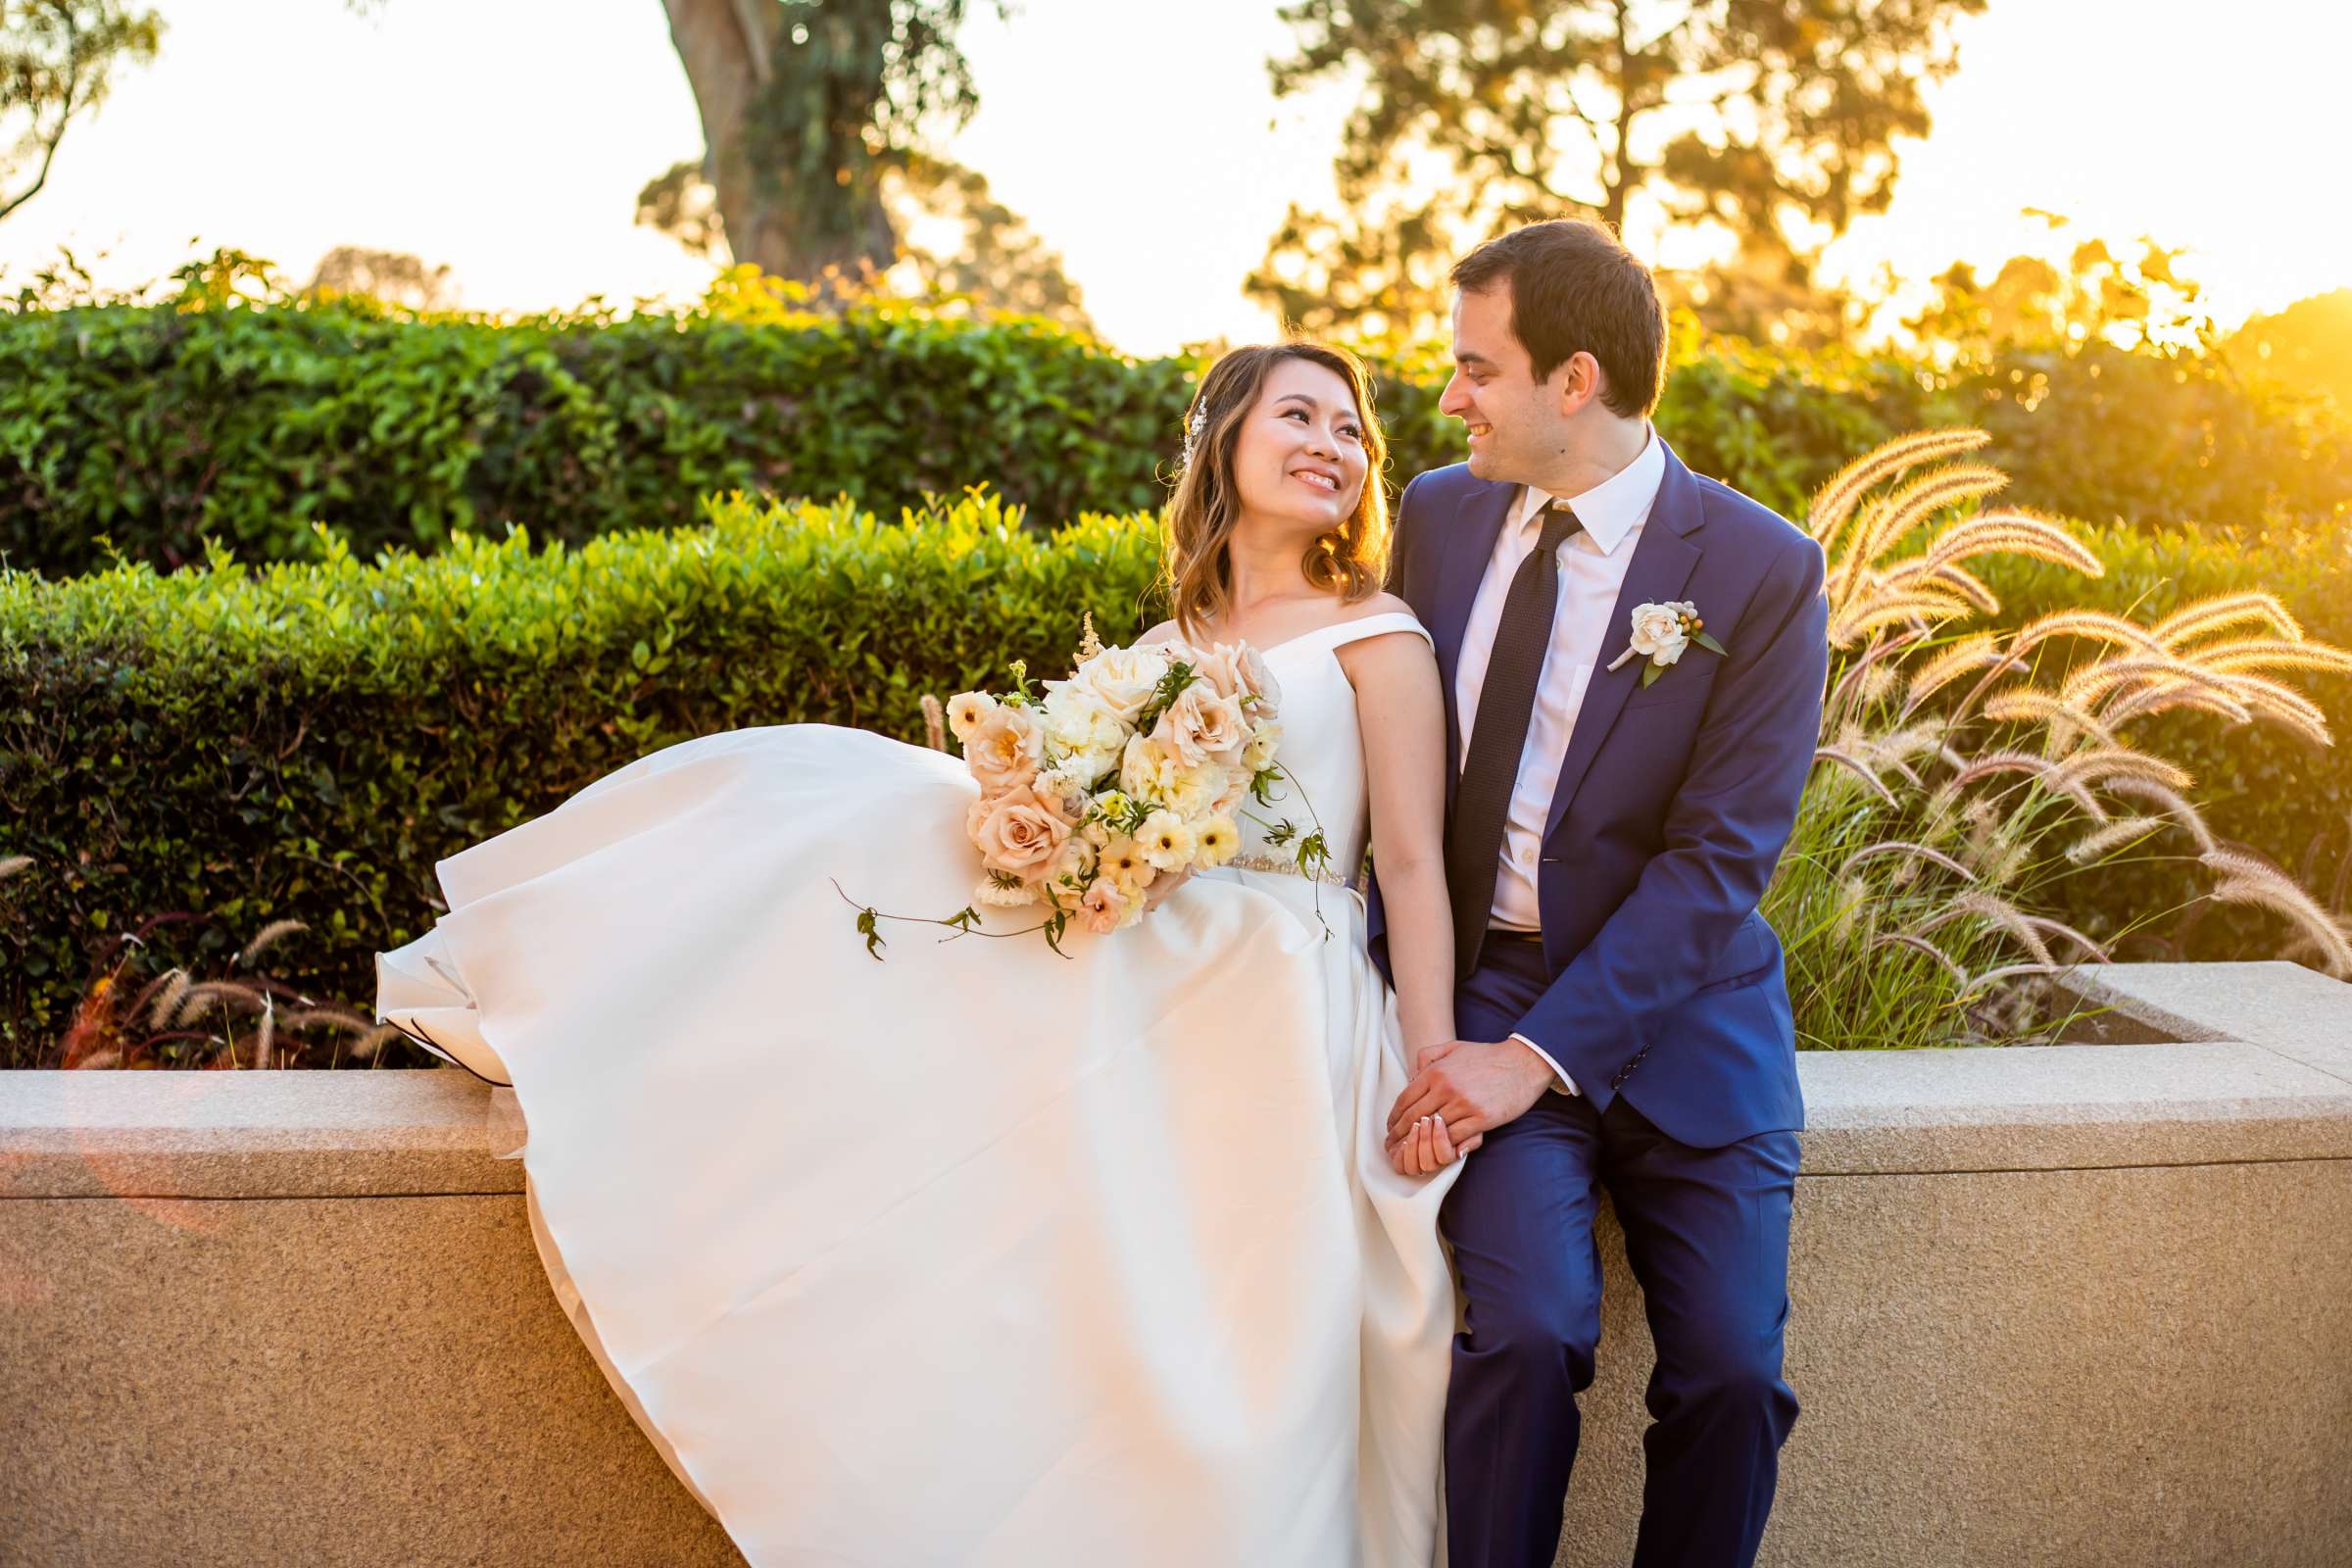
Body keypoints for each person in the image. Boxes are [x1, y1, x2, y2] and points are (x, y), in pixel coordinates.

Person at [376, 342, 1470, 1566]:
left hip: (1280, 996)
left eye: (1352, 429)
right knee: (882, 806)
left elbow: (1413, 865)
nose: (1334, 444)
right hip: (1156, 958)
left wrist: (1435, 1059)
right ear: (1225, 438)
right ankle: (585, 997)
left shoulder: (1380, 635)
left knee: (1231, 1349)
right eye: (1299, 415)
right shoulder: (1166, 647)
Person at [1372, 219, 1830, 1568]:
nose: (1448, 396)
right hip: (1489, 984)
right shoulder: (1440, 518)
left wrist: (1540, 1059)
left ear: (1576, 382)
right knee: (1519, 1335)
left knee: (1736, 1377)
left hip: (1693, 1020)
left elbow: (1721, 862)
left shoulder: (1759, 565)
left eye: (1475, 369)